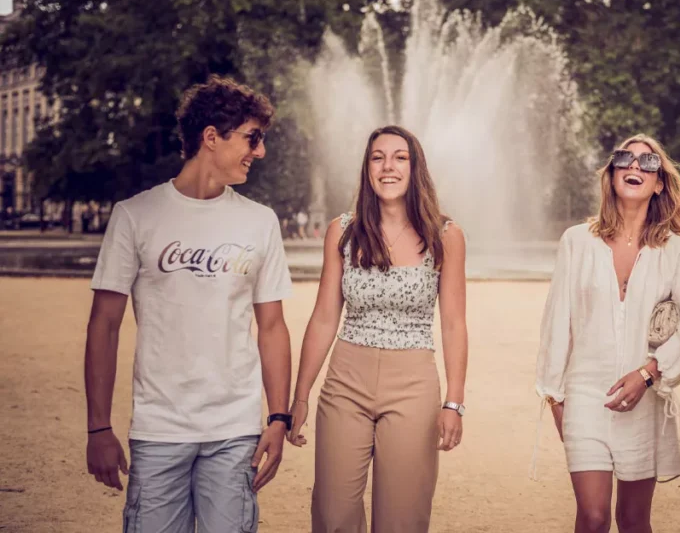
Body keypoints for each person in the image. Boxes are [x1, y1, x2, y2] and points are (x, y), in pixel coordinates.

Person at [84, 76, 294, 531]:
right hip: (159, 429)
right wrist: (98, 427)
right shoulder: (134, 216)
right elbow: (104, 324)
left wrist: (278, 417)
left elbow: (273, 327)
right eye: (252, 138)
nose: (259, 152)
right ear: (211, 137)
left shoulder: (260, 223)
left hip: (235, 430)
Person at [287, 125, 468, 533]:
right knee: (333, 515)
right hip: (346, 380)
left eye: (400, 157)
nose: (388, 166)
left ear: (414, 166)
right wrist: (299, 397)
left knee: (402, 518)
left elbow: (454, 323)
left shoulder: (446, 235)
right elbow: (323, 317)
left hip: (413, 384)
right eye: (377, 157)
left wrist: (453, 402)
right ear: (367, 168)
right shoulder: (344, 231)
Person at [535, 134, 680, 533]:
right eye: (625, 158)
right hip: (586, 396)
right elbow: (557, 320)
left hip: (646, 399)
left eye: (648, 162)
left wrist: (649, 372)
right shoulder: (577, 241)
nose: (634, 166)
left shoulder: (675, 248)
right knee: (592, 519)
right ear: (610, 176)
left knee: (633, 520)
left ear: (659, 183)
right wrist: (555, 396)